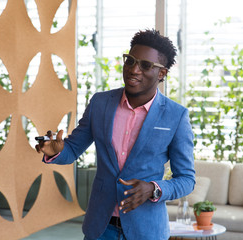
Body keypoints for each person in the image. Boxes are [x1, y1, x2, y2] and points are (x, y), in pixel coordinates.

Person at [35, 29, 195, 240]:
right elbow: (73, 149)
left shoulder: (176, 116)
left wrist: (154, 189)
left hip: (146, 231)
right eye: (130, 60)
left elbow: (187, 179)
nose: (133, 70)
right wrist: (58, 150)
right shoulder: (100, 103)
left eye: (145, 65)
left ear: (162, 73)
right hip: (100, 228)